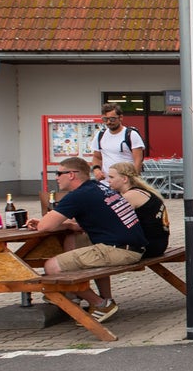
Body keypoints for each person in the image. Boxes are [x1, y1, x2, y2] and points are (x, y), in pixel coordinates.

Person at [25, 156, 149, 324]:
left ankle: (99, 303)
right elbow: (79, 226)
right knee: (75, 242)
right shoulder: (100, 188)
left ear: (71, 175)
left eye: (58, 173)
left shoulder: (78, 196)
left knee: (51, 266)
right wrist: (69, 226)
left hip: (118, 250)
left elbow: (44, 227)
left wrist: (46, 222)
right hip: (132, 247)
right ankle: (99, 299)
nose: (56, 177)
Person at [106, 161, 168, 258]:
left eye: (111, 177)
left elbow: (109, 219)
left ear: (124, 179)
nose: (108, 181)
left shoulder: (130, 196)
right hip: (159, 243)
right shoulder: (141, 191)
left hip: (149, 247)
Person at [91, 103, 146, 180]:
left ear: (120, 118)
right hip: (106, 183)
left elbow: (138, 160)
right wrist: (96, 170)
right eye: (105, 119)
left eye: (112, 119)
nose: (108, 122)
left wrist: (133, 180)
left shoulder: (131, 135)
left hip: (126, 183)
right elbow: (97, 157)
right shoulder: (100, 135)